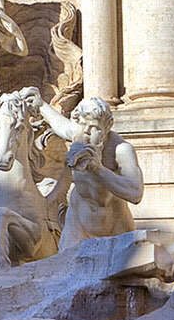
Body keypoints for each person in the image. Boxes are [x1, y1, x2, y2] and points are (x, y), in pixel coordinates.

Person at [33, 92, 144, 252]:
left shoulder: (120, 150)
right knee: (66, 268)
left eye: (95, 129)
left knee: (123, 273)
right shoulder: (77, 133)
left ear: (106, 128)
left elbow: (135, 193)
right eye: (82, 125)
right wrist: (40, 103)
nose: (87, 133)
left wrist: (98, 169)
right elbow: (57, 121)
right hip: (78, 221)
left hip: (114, 224)